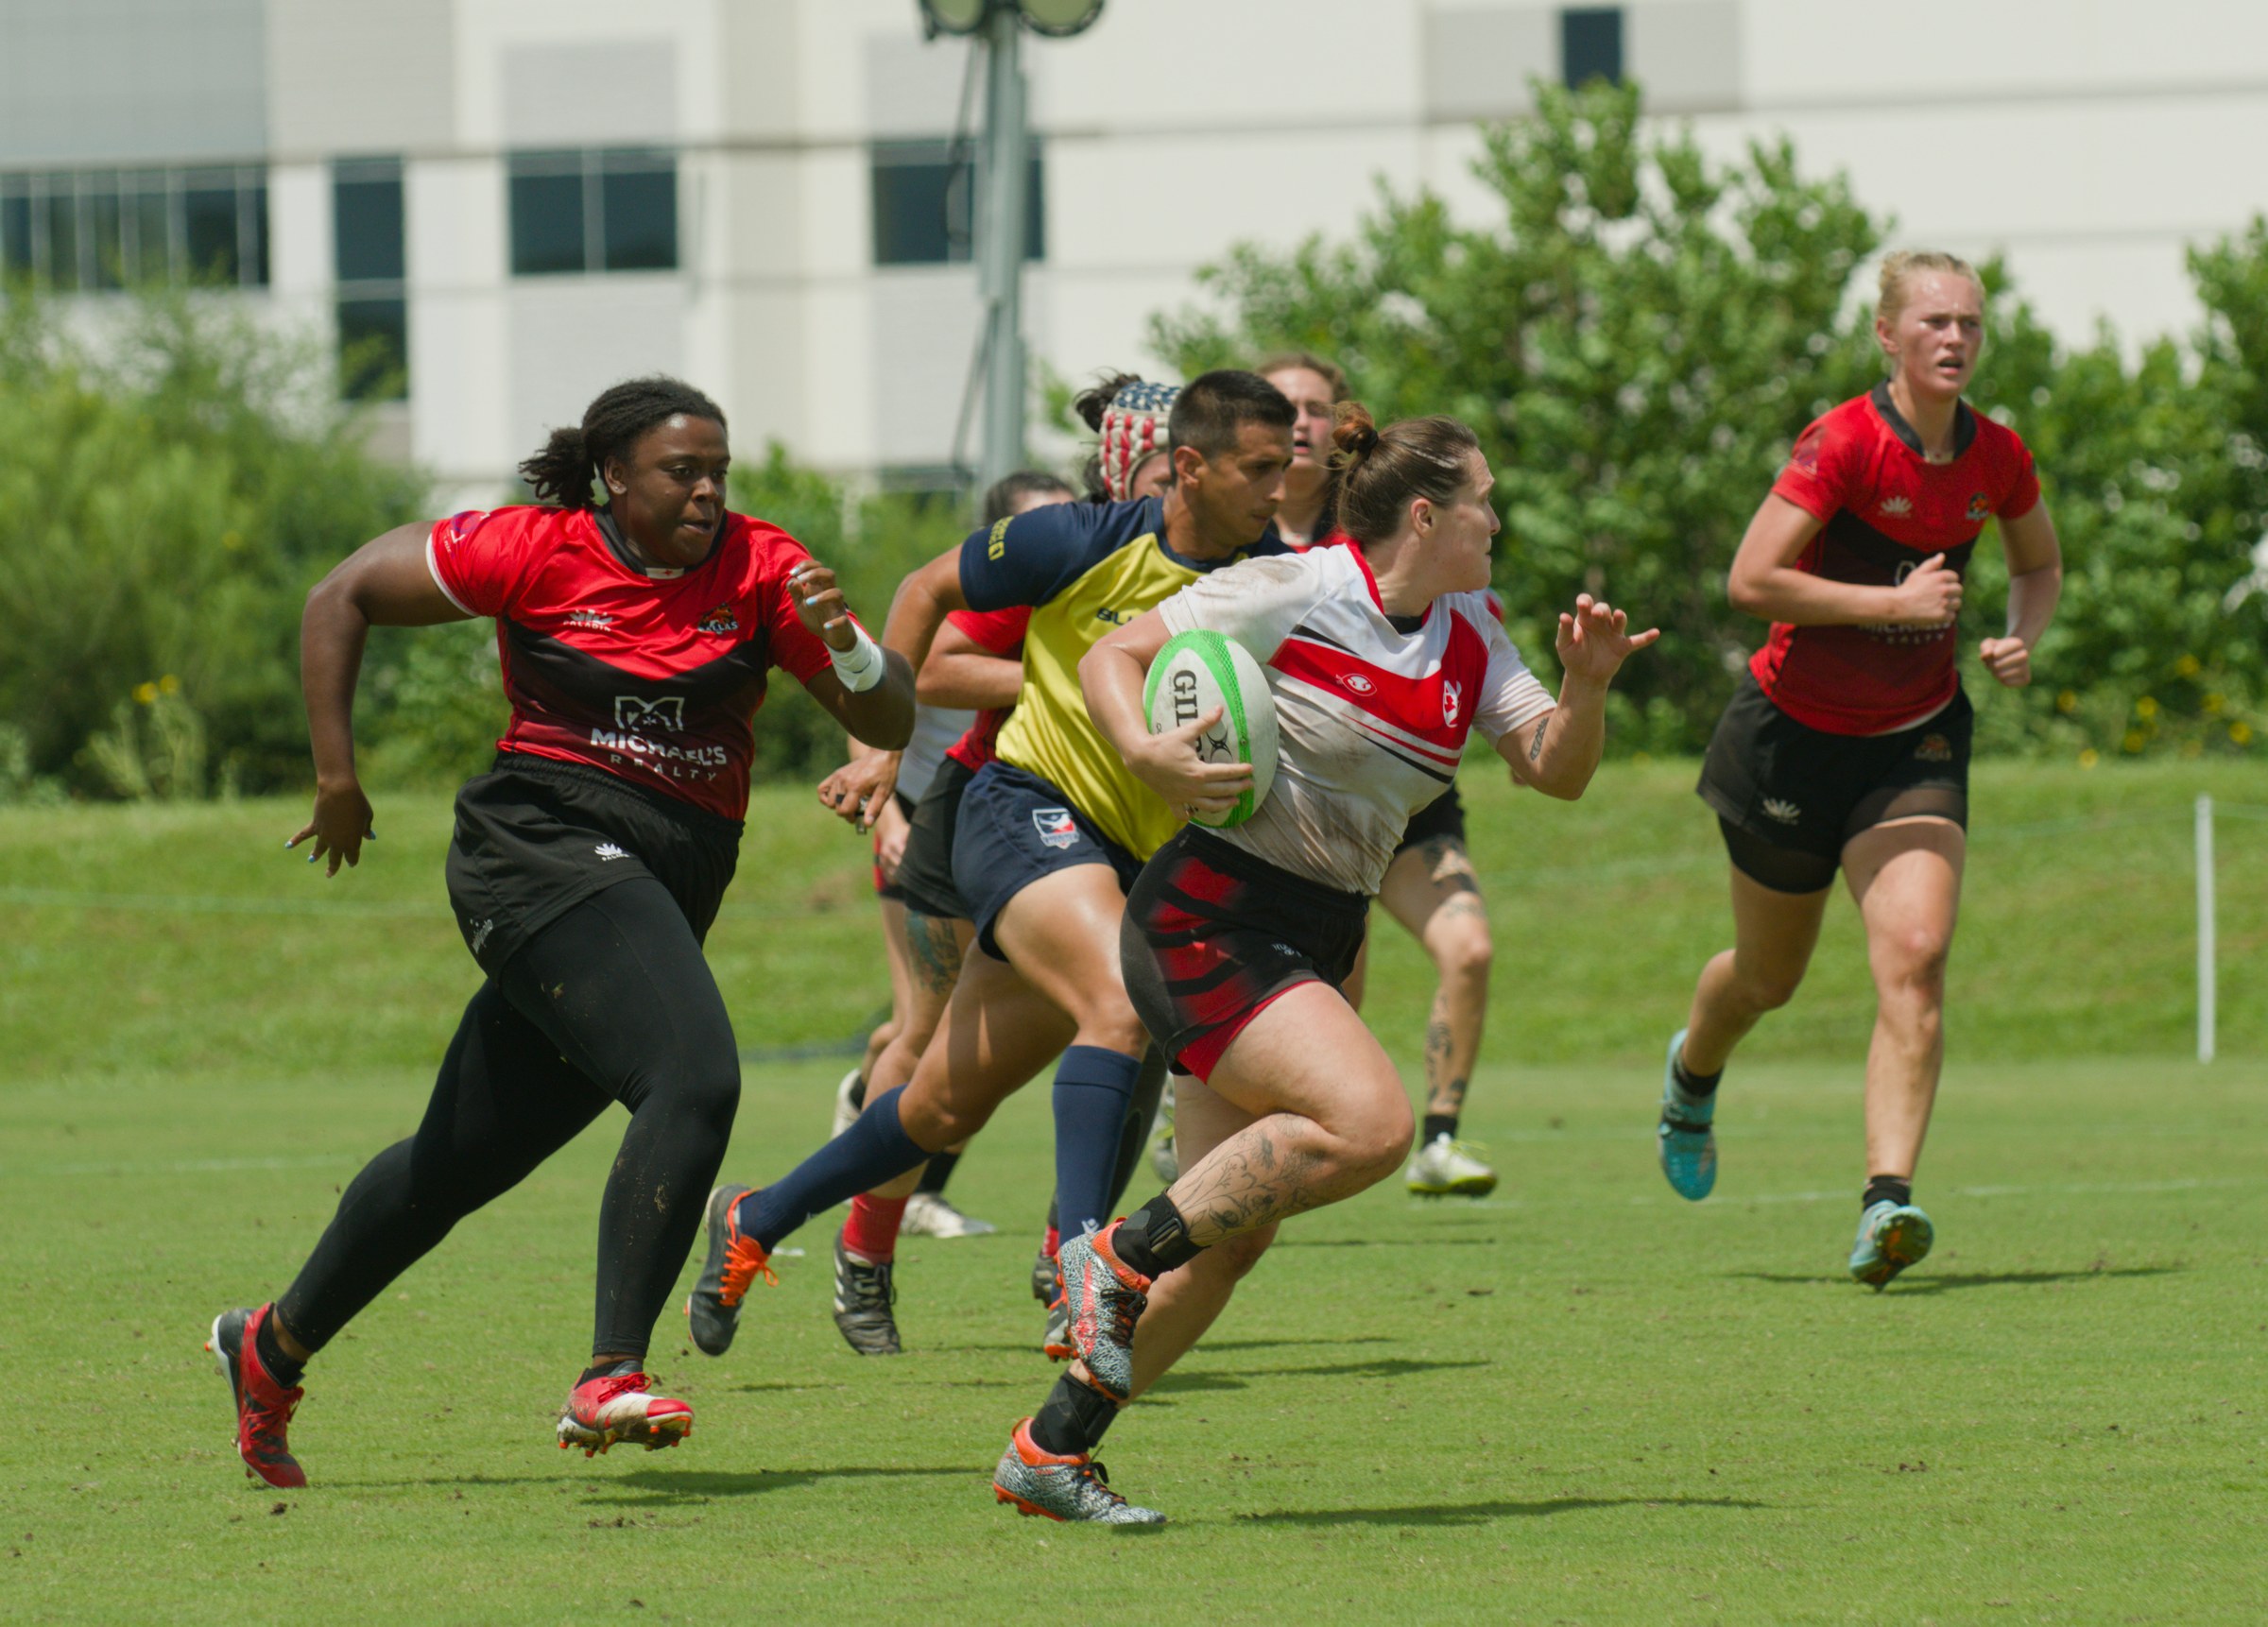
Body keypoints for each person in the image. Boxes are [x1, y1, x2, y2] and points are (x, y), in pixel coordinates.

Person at [205, 377, 913, 1487]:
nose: (708, 491)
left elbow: (889, 717)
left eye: (719, 471)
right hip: (534, 849)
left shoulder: (763, 570)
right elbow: (341, 595)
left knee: (453, 1165)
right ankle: (610, 1373)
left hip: (658, 883)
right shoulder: (533, 549)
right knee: (693, 1077)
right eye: (682, 471)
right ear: (615, 475)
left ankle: (271, 1345)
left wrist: (850, 647)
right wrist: (337, 778)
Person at [991, 404, 1657, 1523]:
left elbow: (1555, 770)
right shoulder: (1299, 586)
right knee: (1372, 1127)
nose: (1499, 519)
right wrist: (1146, 753)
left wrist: (1585, 688)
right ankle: (1117, 1253)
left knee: (1231, 1242)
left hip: (1316, 929)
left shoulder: (1470, 629)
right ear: (1426, 515)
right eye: (1485, 500)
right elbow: (1115, 653)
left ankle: (1049, 1452)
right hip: (1210, 919)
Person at [680, 371, 1297, 1368]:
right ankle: (1089, 1272)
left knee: (940, 1105)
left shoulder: (1283, 578)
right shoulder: (1080, 540)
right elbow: (925, 591)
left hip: (1138, 853)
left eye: (1287, 467)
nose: (1280, 489)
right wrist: (881, 743)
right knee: (1118, 1006)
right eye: (1260, 468)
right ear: (1191, 466)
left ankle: (756, 1214)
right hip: (1025, 809)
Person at [1659, 249, 2063, 1289]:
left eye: (1969, 323)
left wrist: (2021, 637)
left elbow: (2038, 563)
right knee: (1768, 979)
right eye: (1933, 321)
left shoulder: (1999, 455)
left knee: (1918, 954)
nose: (1955, 338)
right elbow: (1752, 579)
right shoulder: (1841, 442)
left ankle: (1887, 1201)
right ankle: (1692, 1074)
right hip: (1789, 738)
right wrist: (1894, 604)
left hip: (1914, 740)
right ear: (1887, 334)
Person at [806, 470, 1074, 1354]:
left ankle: (1067, 1255)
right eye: (1036, 529)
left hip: (1057, 821)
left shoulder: (1107, 572)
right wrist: (885, 807)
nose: (1056, 541)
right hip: (940, 817)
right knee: (925, 1039)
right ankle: (864, 1228)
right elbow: (878, 690)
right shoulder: (959, 596)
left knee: (1104, 1026)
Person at [1259, 352, 1503, 1199]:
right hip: (1302, 810)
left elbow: (1461, 623)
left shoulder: (1385, 518)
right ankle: (1224, 1119)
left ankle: (1440, 1139)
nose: (1301, 422)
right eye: (1283, 406)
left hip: (1407, 799)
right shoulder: (1249, 552)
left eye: (1316, 407)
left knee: (1469, 947)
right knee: (1334, 997)